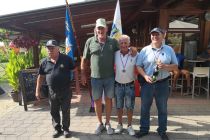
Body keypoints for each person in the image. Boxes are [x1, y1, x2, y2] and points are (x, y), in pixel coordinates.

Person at [135, 27, 178, 140]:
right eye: (152, 35)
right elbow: (138, 65)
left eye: (157, 34)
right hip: (147, 84)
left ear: (162, 36)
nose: (154, 37)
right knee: (145, 108)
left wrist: (165, 67)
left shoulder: (169, 49)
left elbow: (175, 66)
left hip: (162, 84)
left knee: (162, 108)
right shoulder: (145, 50)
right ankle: (144, 129)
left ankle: (162, 131)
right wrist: (144, 76)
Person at [80, 18, 119, 135]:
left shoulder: (113, 42)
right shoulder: (90, 41)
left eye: (103, 28)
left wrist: (132, 50)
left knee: (108, 100)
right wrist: (82, 74)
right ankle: (100, 123)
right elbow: (84, 59)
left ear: (106, 29)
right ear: (95, 29)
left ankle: (107, 123)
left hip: (110, 77)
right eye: (99, 28)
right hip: (95, 78)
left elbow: (122, 53)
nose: (101, 30)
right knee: (97, 100)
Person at [35, 39, 75, 138]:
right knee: (54, 111)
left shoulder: (66, 59)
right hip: (52, 91)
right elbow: (40, 77)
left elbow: (74, 70)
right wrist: (37, 90)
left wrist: (77, 87)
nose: (50, 50)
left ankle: (66, 129)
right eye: (48, 48)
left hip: (66, 90)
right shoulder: (44, 62)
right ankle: (57, 129)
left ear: (58, 48)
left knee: (65, 110)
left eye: (52, 48)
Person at [114, 34, 137, 136]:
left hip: (130, 85)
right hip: (118, 85)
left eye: (125, 43)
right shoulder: (115, 54)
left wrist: (135, 49)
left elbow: (142, 63)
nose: (123, 45)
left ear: (129, 44)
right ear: (119, 44)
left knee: (129, 107)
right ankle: (119, 124)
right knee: (119, 106)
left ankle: (129, 126)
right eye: (121, 43)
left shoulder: (135, 54)